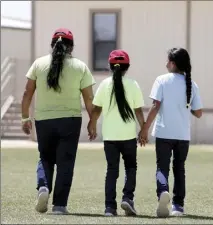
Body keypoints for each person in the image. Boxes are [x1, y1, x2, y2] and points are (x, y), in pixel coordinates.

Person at [21, 28, 95, 214]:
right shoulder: (80, 66)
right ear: (71, 46)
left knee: (45, 157)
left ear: (52, 44)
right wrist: (92, 122)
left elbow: (27, 93)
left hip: (44, 120)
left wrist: (25, 117)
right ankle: (60, 206)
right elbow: (89, 100)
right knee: (65, 162)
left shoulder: (38, 64)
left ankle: (43, 187)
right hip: (70, 121)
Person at [139, 48, 203, 218]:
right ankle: (178, 206)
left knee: (162, 167)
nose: (165, 64)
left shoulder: (161, 80)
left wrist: (144, 128)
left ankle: (162, 192)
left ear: (173, 64)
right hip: (183, 135)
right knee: (179, 169)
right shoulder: (192, 84)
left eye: (167, 61)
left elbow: (155, 106)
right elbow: (198, 113)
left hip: (163, 133)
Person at [87, 50, 145, 216]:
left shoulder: (104, 84)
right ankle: (127, 198)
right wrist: (144, 129)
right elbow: (138, 111)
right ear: (127, 67)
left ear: (111, 66)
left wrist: (92, 125)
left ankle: (109, 208)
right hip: (128, 137)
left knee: (112, 170)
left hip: (110, 137)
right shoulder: (133, 84)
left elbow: (96, 109)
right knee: (131, 168)